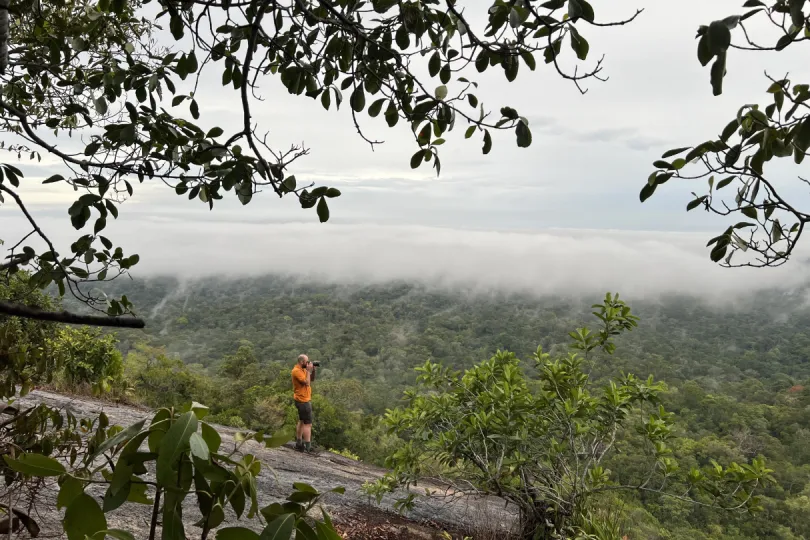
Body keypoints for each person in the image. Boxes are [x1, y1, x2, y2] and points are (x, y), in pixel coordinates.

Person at [291, 353, 315, 452]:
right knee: (307, 424)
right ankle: (308, 447)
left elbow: (311, 379)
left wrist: (312, 371)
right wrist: (308, 371)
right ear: (302, 362)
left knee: (301, 421)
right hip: (303, 400)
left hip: (303, 399)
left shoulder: (303, 370)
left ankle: (299, 443)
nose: (308, 363)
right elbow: (307, 382)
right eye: (306, 361)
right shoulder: (296, 371)